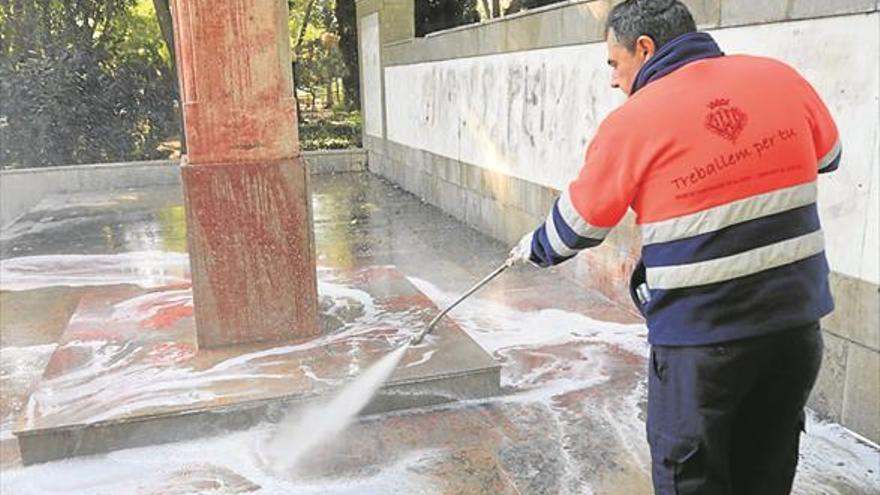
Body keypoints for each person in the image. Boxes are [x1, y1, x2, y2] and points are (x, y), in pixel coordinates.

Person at [506, 1, 841, 493]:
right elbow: (829, 155)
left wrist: (533, 248)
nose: (615, 81)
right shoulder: (780, 78)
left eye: (615, 64)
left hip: (702, 344)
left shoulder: (634, 121)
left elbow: (576, 227)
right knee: (765, 471)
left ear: (645, 48)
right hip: (794, 331)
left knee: (693, 477)